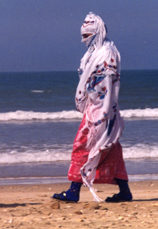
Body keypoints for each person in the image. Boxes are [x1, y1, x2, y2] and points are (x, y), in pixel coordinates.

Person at [53, 12, 132, 203]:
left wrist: (102, 111)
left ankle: (74, 190)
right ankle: (124, 191)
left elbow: (106, 84)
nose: (84, 40)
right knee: (110, 147)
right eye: (83, 36)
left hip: (102, 110)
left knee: (83, 145)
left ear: (98, 32)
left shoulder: (107, 53)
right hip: (99, 108)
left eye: (87, 36)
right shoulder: (93, 53)